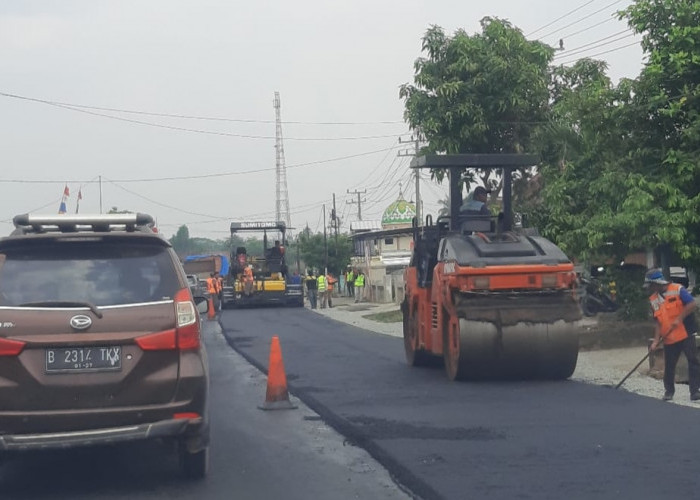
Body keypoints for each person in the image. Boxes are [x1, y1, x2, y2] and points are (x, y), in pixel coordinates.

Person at [645, 268, 700, 401]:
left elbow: (692, 304)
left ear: (657, 282)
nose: (650, 288)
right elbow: (657, 322)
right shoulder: (653, 299)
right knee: (669, 364)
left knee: (692, 361)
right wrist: (655, 341)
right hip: (669, 336)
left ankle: (695, 391)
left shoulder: (677, 289)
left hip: (686, 332)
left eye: (651, 284)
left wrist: (679, 318)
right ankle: (669, 391)